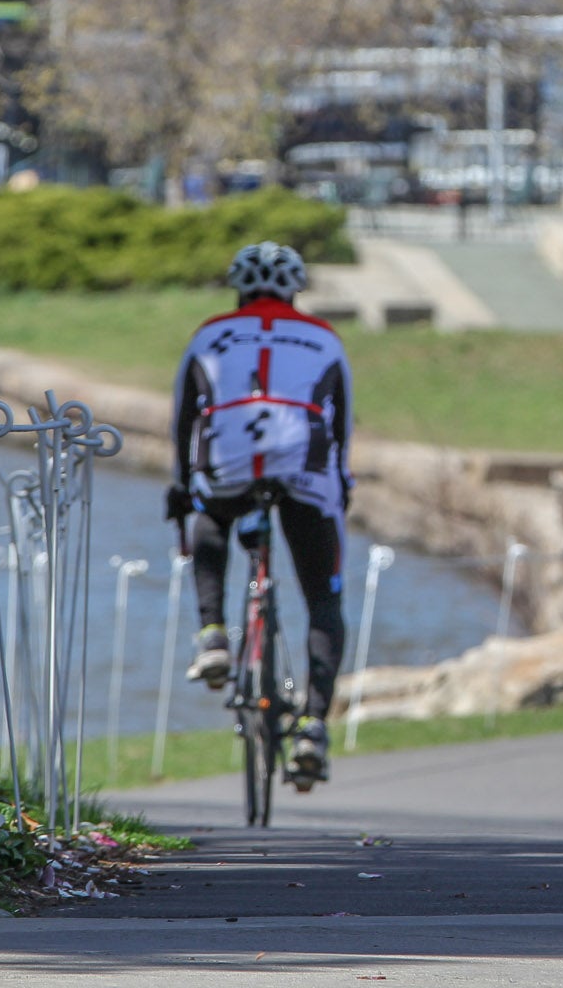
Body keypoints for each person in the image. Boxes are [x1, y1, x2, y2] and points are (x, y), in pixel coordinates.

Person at [167, 240, 354, 787]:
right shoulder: (325, 337)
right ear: (295, 290)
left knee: (211, 519)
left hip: (228, 464)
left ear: (239, 288)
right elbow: (340, 425)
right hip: (305, 469)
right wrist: (339, 491)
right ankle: (315, 725)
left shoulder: (209, 333)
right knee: (323, 594)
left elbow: (184, 417)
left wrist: (182, 487)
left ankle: (213, 636)